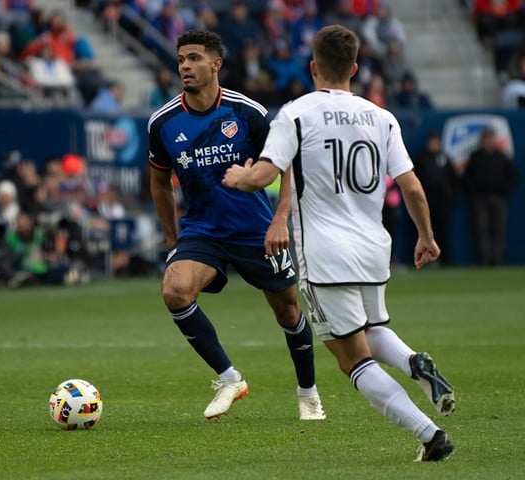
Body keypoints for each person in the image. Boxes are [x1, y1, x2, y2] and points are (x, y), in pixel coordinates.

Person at [222, 25, 455, 461]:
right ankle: (413, 364)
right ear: (354, 68)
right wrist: (426, 236)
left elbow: (266, 174)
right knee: (371, 330)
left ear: (313, 67)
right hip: (373, 248)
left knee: (351, 358)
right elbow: (413, 188)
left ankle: (429, 436)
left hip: (326, 254)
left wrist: (238, 177)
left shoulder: (295, 113)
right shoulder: (381, 116)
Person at [148, 29, 325, 421]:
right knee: (175, 291)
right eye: (181, 60)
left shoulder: (249, 114)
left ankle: (308, 394)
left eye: (194, 58)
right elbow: (159, 181)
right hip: (202, 230)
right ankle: (230, 378)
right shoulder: (163, 123)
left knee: (288, 312)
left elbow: (287, 164)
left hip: (256, 231)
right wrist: (173, 239)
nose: (185, 67)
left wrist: (281, 220)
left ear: (216, 64)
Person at [462, 127, 518, 266]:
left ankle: (497, 260)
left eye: (491, 138)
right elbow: (467, 178)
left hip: (498, 197)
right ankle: (485, 260)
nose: (488, 141)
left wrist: (504, 190)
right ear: (482, 141)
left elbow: (512, 176)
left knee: (498, 229)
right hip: (480, 199)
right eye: (486, 139)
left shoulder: (501, 156)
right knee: (482, 229)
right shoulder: (476, 157)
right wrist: (474, 191)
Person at [414, 133, 457, 265]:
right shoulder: (421, 159)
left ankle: (445, 259)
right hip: (426, 200)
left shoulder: (445, 158)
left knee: (443, 230)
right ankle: (427, 259)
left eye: (436, 142)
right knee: (426, 230)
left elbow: (454, 178)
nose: (434, 145)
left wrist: (450, 191)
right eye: (432, 142)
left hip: (442, 201)